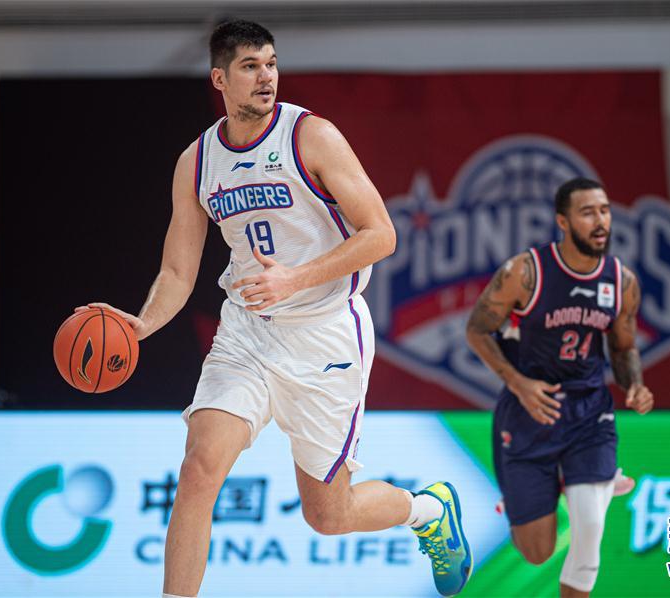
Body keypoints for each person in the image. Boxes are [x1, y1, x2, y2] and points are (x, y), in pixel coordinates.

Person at [76, 19, 471, 598]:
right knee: (198, 469)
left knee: (328, 515)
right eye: (250, 67)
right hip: (248, 334)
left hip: (325, 334)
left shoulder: (312, 137)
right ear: (219, 79)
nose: (266, 77)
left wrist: (295, 279)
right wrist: (142, 324)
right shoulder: (196, 162)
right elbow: (178, 272)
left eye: (271, 64)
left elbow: (382, 234)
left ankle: (428, 511)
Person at [465, 177, 653, 597]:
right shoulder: (524, 272)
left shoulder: (621, 282)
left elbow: (623, 349)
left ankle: (589, 479)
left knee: (590, 528)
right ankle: (548, 489)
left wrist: (635, 385)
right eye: (588, 213)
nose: (600, 221)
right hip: (531, 410)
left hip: (589, 412)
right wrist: (519, 383)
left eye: (604, 211)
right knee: (537, 552)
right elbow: (477, 330)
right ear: (563, 222)